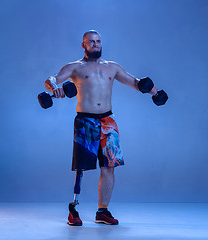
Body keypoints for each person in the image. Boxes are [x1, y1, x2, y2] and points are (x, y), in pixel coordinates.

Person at [45, 30, 158, 226]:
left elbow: (135, 83)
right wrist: (55, 88)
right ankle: (74, 208)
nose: (95, 44)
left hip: (108, 121)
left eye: (98, 41)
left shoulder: (112, 67)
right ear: (83, 45)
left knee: (109, 166)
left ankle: (102, 211)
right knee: (81, 167)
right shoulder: (74, 68)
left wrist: (154, 92)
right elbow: (52, 80)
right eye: (91, 42)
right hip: (85, 121)